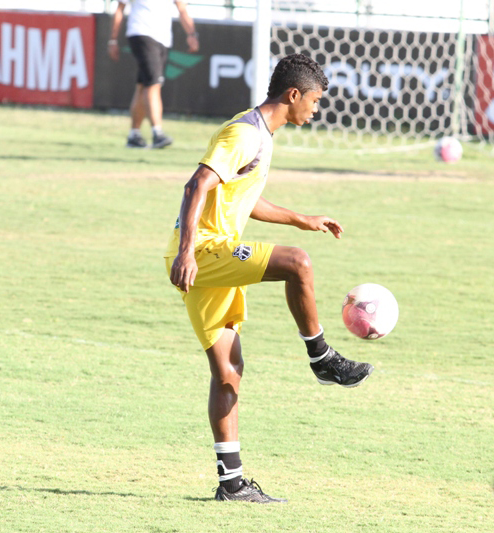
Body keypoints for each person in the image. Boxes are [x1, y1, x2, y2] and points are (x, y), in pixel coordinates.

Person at [164, 54, 374, 504]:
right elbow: (195, 185)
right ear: (293, 95)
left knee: (228, 371)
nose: (316, 111)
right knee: (297, 263)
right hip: (202, 251)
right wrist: (186, 252)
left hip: (208, 256)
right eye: (314, 101)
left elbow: (241, 197)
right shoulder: (243, 133)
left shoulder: (263, 134)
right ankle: (322, 358)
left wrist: (301, 218)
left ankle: (232, 483)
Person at [108, 0, 199, 149]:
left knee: (143, 85)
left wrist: (192, 34)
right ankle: (158, 133)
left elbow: (182, 9)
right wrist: (113, 40)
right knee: (153, 85)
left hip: (163, 38)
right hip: (141, 33)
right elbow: (120, 9)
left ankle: (134, 135)